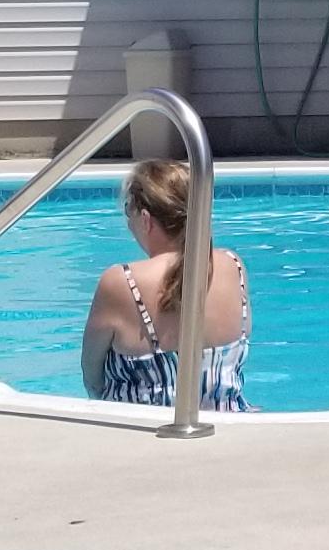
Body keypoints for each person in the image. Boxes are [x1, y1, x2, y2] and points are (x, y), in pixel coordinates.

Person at [78, 156, 251, 412]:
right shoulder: (232, 265)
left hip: (142, 435)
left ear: (146, 219)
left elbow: (92, 375)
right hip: (228, 424)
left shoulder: (121, 282)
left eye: (129, 211)